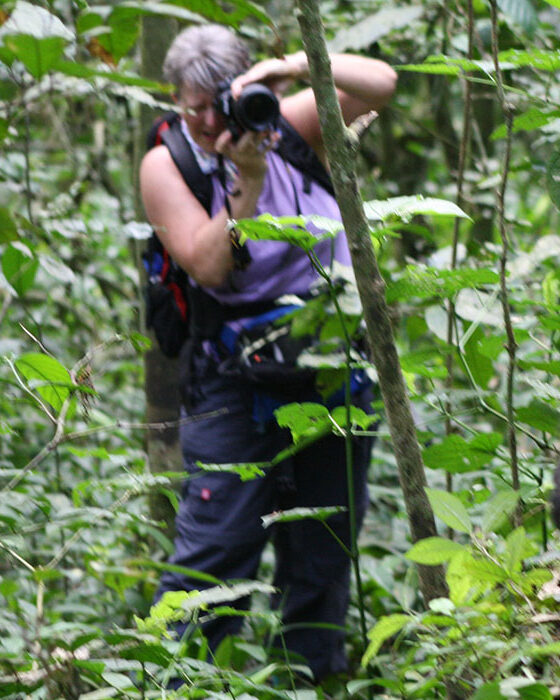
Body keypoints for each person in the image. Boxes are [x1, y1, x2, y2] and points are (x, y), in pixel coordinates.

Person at [140, 24, 396, 681]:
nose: (203, 120)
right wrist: (245, 181)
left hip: (333, 362)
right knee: (216, 550)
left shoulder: (285, 119)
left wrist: (284, 70)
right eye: (187, 106)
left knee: (322, 551)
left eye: (214, 103)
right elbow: (206, 265)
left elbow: (382, 84)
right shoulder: (170, 163)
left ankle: (310, 679)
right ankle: (184, 683)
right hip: (235, 378)